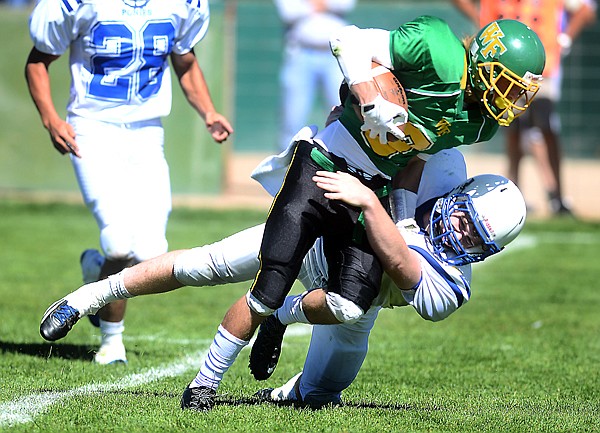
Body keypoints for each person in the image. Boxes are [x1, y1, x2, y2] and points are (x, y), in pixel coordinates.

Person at [179, 15, 543, 410]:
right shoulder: (439, 62)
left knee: (322, 388)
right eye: (508, 86)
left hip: (370, 266)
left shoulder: (477, 132)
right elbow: (350, 46)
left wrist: (399, 224)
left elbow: (415, 174)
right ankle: (149, 326)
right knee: (217, 267)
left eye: (520, 93)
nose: (511, 101)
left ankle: (283, 330)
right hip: (340, 200)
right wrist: (368, 101)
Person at [39, 148, 527, 409]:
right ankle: (88, 295)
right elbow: (410, 154)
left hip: (356, 299)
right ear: (457, 196)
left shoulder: (451, 286)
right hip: (315, 240)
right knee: (199, 265)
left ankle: (280, 331)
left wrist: (375, 205)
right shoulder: (442, 173)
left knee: (318, 395)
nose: (459, 233)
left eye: (475, 238)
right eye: (463, 217)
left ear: (487, 253)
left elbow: (401, 263)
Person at [25, 0, 233, 365]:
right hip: (91, 127)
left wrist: (208, 111)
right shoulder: (78, 4)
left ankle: (95, 272)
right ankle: (111, 341)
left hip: (146, 131)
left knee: (152, 253)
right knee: (119, 242)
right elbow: (38, 60)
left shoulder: (183, 5)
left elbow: (185, 59)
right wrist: (50, 119)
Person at [453, 0, 597, 216]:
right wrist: (481, 21)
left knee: (543, 126)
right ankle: (514, 190)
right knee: (513, 129)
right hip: (504, 68)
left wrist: (565, 37)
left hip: (542, 67)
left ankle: (556, 194)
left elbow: (587, 9)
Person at [274, 0, 356, 151]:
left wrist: (309, 4)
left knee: (344, 114)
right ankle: (286, 170)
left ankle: (343, 164)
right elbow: (288, 11)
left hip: (336, 56)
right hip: (300, 54)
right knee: (292, 118)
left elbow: (345, 4)